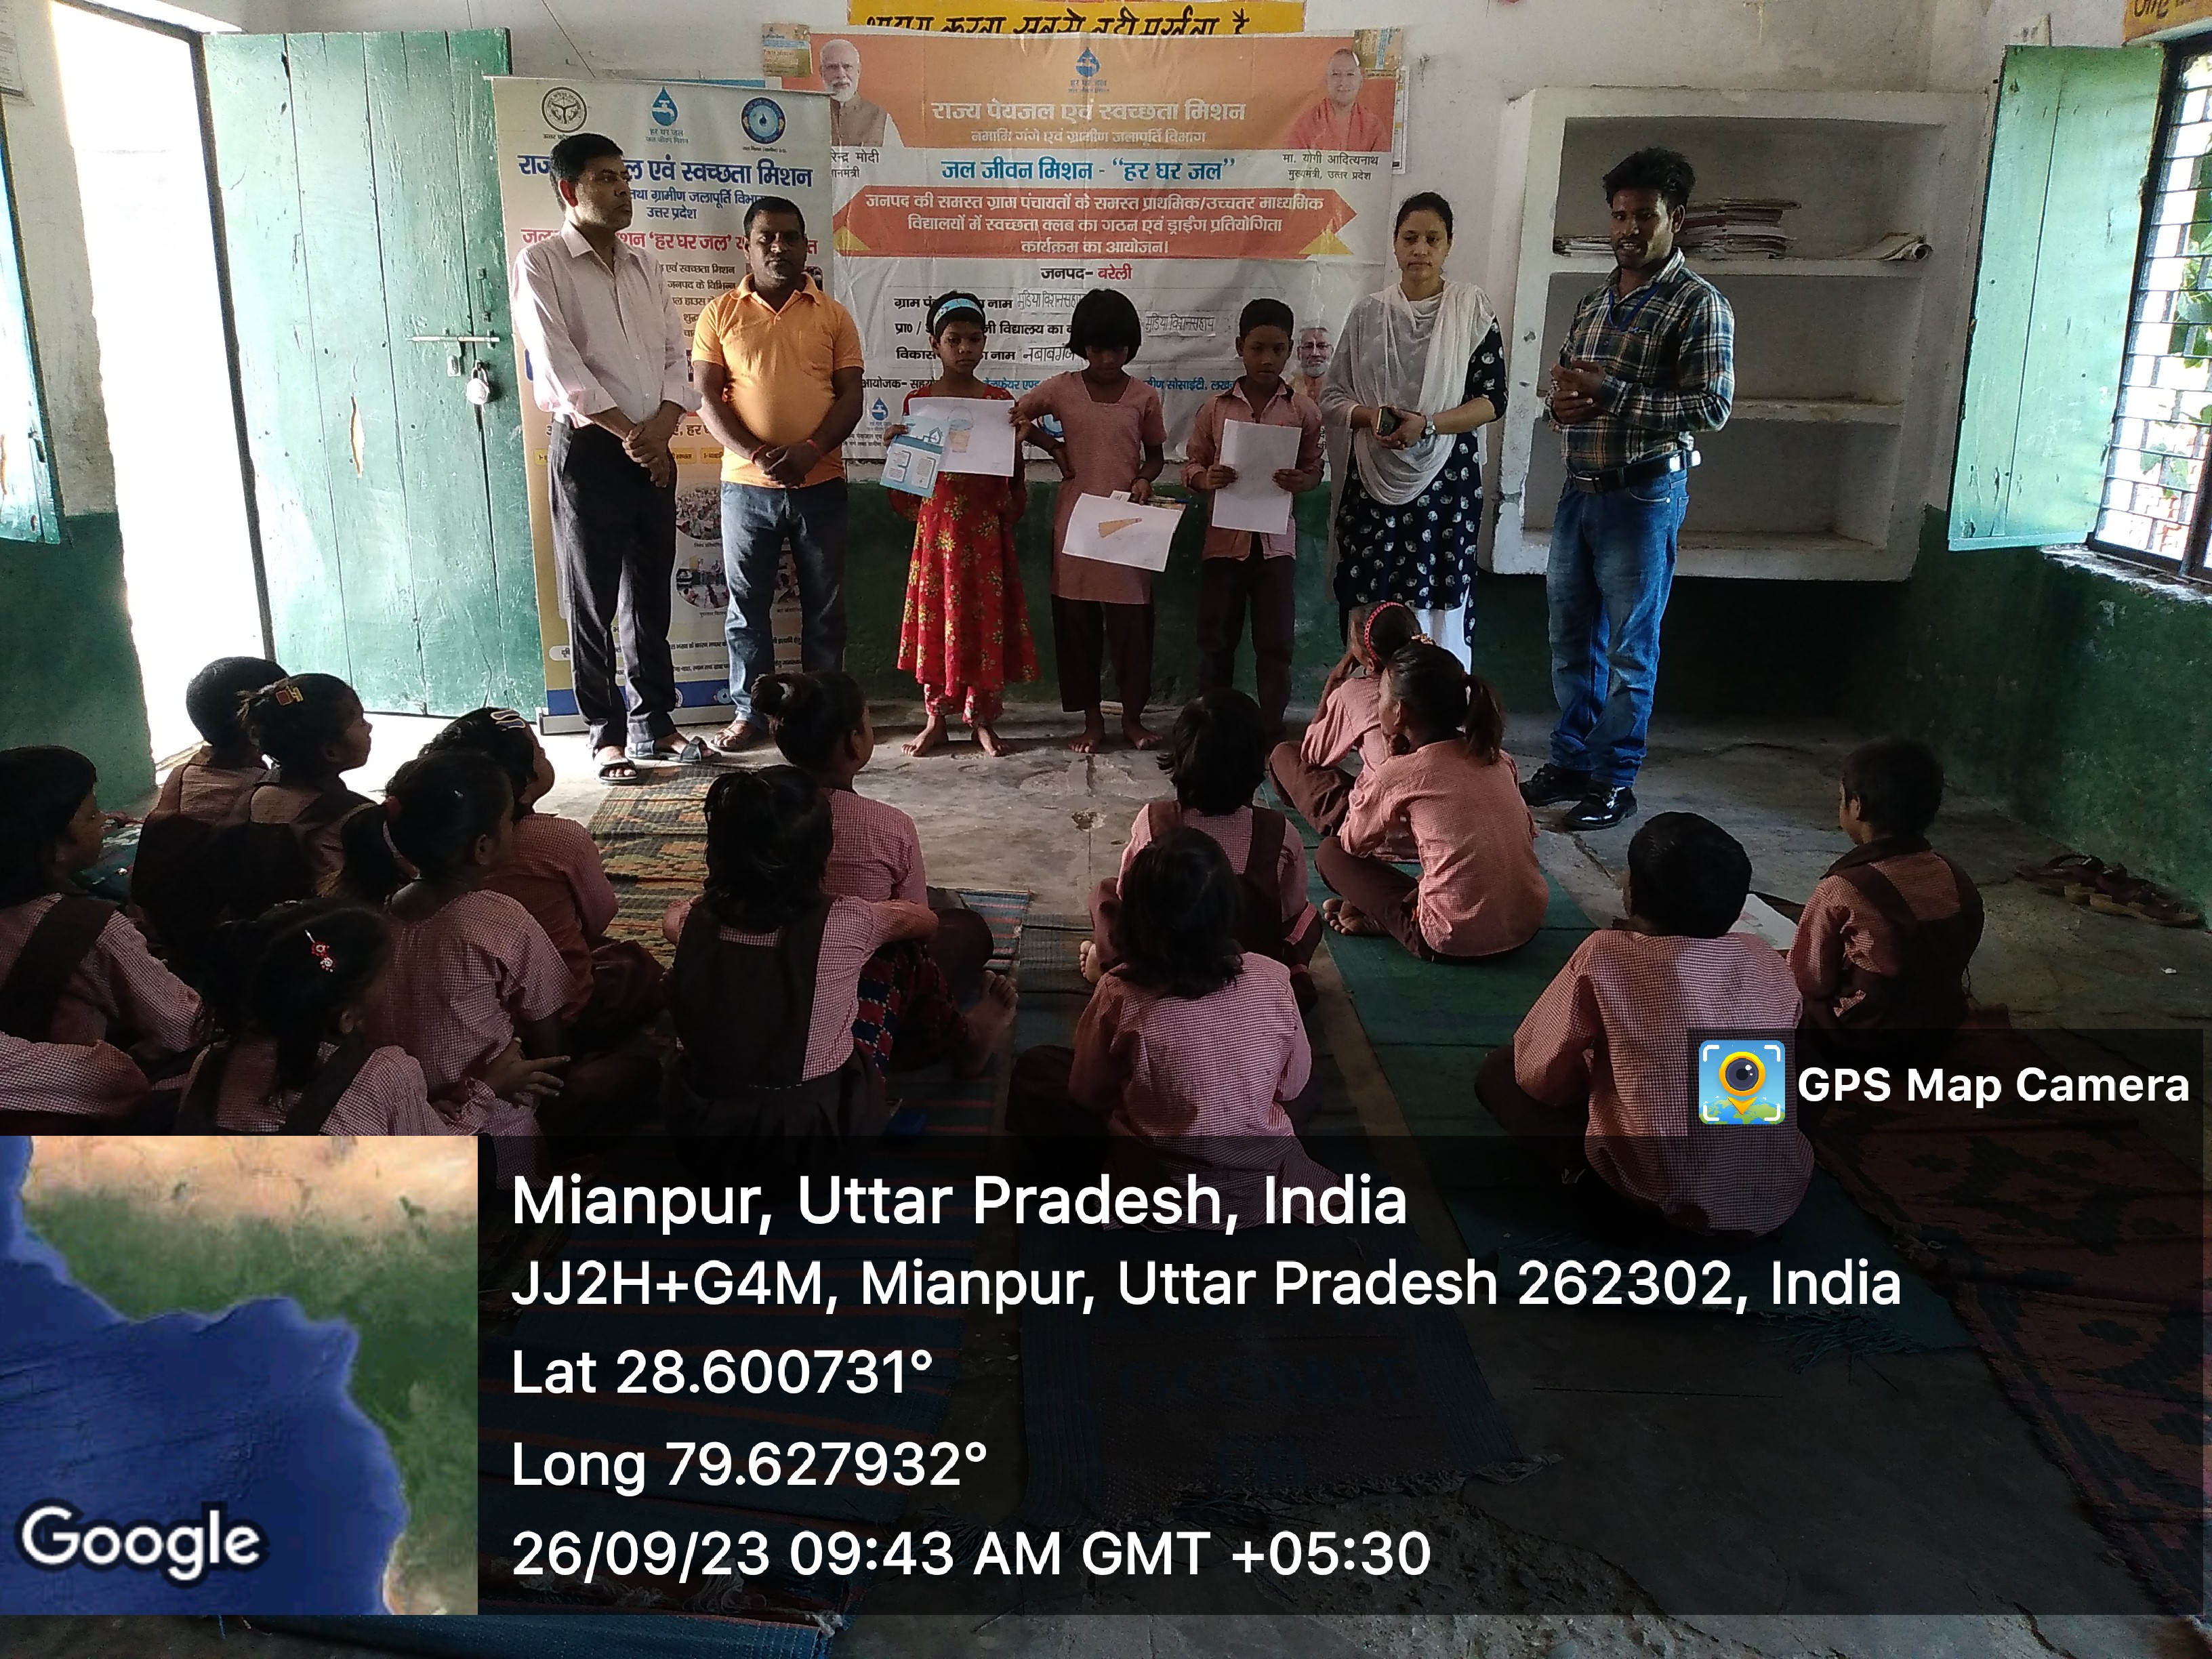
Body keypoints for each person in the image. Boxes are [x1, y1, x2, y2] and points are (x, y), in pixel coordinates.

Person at [1523, 146, 1735, 833]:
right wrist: (1561, 407)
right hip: (1579, 491)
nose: (1629, 230)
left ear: (1677, 219)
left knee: (1629, 650)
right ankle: (1572, 761)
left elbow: (1711, 408)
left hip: (1643, 498)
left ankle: (1614, 779)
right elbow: (1566, 387)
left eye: (1645, 216)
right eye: (1619, 216)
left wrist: (1610, 393)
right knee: (1569, 639)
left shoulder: (1698, 304)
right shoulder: (1594, 301)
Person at [1479, 812, 1811, 1239]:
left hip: (1649, 1213)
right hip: (1771, 1208)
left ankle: (1584, 1175)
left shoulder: (1606, 954)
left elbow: (1540, 1076)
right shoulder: (1767, 960)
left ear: (1632, 893)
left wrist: (1596, 1081)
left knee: (1499, 1072)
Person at [662, 766, 1016, 1143]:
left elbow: (671, 922)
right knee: (899, 954)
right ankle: (966, 1040)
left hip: (702, 1136)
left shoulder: (691, 920)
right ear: (822, 853)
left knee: (696, 979)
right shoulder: (845, 919)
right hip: (823, 1137)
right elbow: (925, 923)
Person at [1008, 828, 1332, 1216]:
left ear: (1135, 916)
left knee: (1036, 1070)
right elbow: (1291, 1085)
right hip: (1256, 1184)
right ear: (1230, 907)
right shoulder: (1273, 977)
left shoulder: (1119, 991)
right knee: (1308, 1080)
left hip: (1155, 1186)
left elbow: (1087, 1094)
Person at [510, 131, 701, 786]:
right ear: (569, 189)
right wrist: (630, 433)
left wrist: (661, 430)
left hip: (654, 445)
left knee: (649, 594)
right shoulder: (542, 265)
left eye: (625, 178)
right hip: (593, 448)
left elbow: (676, 356)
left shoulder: (646, 266)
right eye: (606, 179)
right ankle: (605, 733)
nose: (623, 190)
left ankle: (656, 723)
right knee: (591, 598)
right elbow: (559, 366)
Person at [335, 750, 604, 1138]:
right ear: (483, 847)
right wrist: (559, 1086)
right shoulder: (498, 917)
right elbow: (551, 1033)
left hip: (406, 1114)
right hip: (496, 1121)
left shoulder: (369, 918)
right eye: (509, 821)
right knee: (631, 1070)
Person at [693, 197, 866, 756]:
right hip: (747, 488)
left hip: (822, 484)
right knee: (747, 610)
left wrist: (812, 449)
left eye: (790, 237)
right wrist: (759, 453)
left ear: (805, 246)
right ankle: (752, 713)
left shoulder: (834, 316)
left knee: (825, 609)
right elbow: (706, 397)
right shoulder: (719, 313)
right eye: (766, 237)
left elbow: (852, 397)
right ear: (746, 246)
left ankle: (822, 714)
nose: (778, 247)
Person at [1322, 193, 1507, 668]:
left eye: (1432, 239)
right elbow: (1334, 396)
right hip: (1374, 483)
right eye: (1410, 238)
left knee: (1437, 596)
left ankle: (1437, 703)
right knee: (1372, 593)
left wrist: (1428, 426)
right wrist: (1373, 418)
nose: (1420, 249)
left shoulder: (1470, 310)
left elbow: (1492, 400)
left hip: (1445, 485)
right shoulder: (1368, 314)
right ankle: (1371, 705)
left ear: (1449, 245)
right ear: (1395, 244)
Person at [746, 668, 999, 1012]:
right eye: (868, 722)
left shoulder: (755, 810)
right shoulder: (889, 825)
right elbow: (918, 928)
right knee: (967, 929)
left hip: (765, 973)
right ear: (854, 741)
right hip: (865, 988)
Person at [426, 708, 665, 1050]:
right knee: (634, 965)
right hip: (558, 1016)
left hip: (470, 1019)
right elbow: (600, 917)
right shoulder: (557, 839)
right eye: (538, 751)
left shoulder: (426, 848)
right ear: (519, 787)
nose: (545, 753)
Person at [1086, 689, 1321, 1011]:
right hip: (1245, 967)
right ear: (1257, 761)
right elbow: (1290, 913)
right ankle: (1278, 983)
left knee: (1105, 894)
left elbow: (1130, 896)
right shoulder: (1280, 832)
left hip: (1164, 965)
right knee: (1309, 919)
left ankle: (1115, 970)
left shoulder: (1153, 822)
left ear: (1181, 757)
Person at [1317, 644, 1547, 962]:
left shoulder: (1399, 773)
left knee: (1330, 854)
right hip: (1527, 922)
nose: (1378, 704)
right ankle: (1406, 906)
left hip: (1452, 940)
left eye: (1381, 697)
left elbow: (1353, 843)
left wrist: (1387, 768)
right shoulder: (1498, 758)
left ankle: (1399, 920)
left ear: (1400, 712)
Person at [177, 901, 484, 1135]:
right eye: (385, 974)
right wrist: (482, 1095)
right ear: (346, 1017)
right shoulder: (384, 1074)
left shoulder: (210, 1063)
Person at [1013, 289, 1167, 754]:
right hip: (1075, 525)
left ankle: (1133, 719)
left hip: (1128, 525)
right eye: (1097, 349)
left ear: (1131, 347)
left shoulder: (1144, 397)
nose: (1107, 359)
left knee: (1132, 629)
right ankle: (1093, 720)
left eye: (1117, 349)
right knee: (1077, 628)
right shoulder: (1060, 389)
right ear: (1082, 345)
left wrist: (1144, 478)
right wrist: (1052, 447)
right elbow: (1016, 415)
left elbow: (1156, 456)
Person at [886, 291, 1036, 758]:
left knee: (984, 622)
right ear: (935, 344)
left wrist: (1015, 441)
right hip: (937, 537)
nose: (965, 348)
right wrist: (898, 449)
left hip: (986, 536)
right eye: (954, 339)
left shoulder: (1000, 404)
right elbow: (907, 492)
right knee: (938, 621)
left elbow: (1011, 486)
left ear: (985, 342)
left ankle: (982, 719)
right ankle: (936, 718)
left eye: (974, 339)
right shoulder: (920, 403)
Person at [0, 746, 201, 1062]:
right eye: (92, 815)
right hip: (95, 1080)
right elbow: (184, 1026)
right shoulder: (93, 930)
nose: (105, 819)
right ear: (56, 848)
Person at [1791, 737, 1984, 1065]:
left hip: (1864, 1036)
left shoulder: (1841, 888)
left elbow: (1810, 982)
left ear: (1857, 806)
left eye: (1842, 798)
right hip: (1939, 1028)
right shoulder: (1955, 876)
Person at [1184, 298, 1324, 741]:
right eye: (1257, 348)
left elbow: (1315, 467)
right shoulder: (1216, 409)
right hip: (1223, 545)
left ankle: (1270, 729)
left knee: (1275, 644)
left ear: (1290, 351)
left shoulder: (1303, 411)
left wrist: (1303, 481)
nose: (1267, 359)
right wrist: (1206, 478)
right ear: (1240, 347)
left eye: (1278, 350)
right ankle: (1212, 729)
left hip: (1275, 547)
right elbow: (1192, 466)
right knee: (1216, 640)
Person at [131, 654, 285, 956]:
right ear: (257, 730)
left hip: (171, 919)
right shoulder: (267, 789)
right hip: (232, 927)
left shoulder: (181, 774)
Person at [1268, 598, 1420, 842]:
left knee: (1284, 754)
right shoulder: (1443, 679)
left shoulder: (1356, 693)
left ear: (1369, 661)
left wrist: (1335, 680)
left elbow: (1313, 754)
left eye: (1352, 642)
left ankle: (1320, 821)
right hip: (1432, 823)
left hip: (1381, 830)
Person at [1284, 47, 1389, 153]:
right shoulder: (1305, 124)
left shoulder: (1373, 126)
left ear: (1361, 81)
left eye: (1350, 74)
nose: (1343, 82)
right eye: (1336, 74)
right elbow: (1293, 161)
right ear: (1326, 80)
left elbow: (1381, 162)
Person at [818, 38, 902, 149]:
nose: (841, 74)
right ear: (822, 72)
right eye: (833, 67)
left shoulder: (880, 117)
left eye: (847, 67)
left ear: (858, 70)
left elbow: (897, 159)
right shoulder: (807, 116)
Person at [1293, 323, 1333, 403]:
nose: (1315, 353)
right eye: (1309, 347)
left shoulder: (1339, 390)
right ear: (1299, 352)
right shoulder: (1289, 391)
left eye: (1322, 346)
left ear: (1331, 351)